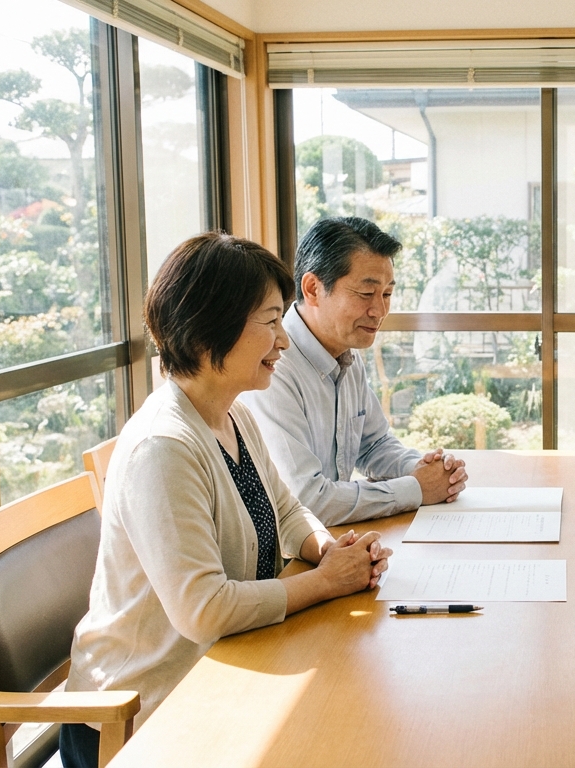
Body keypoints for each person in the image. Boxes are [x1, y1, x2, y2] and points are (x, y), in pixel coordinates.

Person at [61, 233, 392, 768]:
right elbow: (204, 610)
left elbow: (287, 509)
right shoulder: (163, 448)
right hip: (140, 714)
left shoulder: (232, 412)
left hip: (221, 666)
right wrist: (328, 580)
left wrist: (326, 548)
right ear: (210, 327)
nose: (282, 341)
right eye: (268, 322)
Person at [240, 216, 468, 526]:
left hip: (334, 542)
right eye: (365, 294)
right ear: (313, 289)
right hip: (289, 558)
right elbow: (307, 500)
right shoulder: (273, 366)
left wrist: (425, 469)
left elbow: (374, 445)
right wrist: (415, 489)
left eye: (386, 294)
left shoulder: (346, 352)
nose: (379, 311)